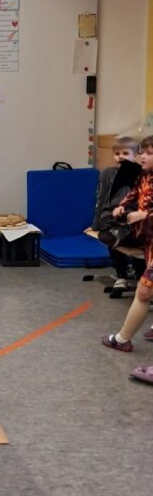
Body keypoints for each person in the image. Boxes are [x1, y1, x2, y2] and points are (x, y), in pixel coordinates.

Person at [101, 135, 153, 353]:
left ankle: (122, 339)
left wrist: (144, 215)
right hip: (149, 241)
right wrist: (123, 206)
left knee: (143, 292)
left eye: (149, 153)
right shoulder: (144, 176)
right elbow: (133, 194)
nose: (143, 157)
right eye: (142, 152)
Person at [92, 135, 142, 290]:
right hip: (111, 216)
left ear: (135, 155)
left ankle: (140, 274)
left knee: (139, 236)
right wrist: (95, 224)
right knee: (113, 236)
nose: (120, 156)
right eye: (117, 153)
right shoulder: (108, 173)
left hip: (133, 216)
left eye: (125, 153)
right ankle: (121, 275)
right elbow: (101, 198)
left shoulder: (141, 173)